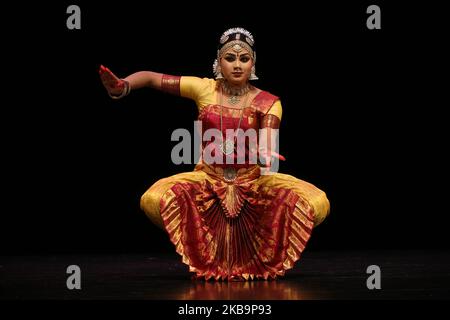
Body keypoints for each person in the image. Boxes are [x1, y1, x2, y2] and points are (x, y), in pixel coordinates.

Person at [99, 27, 330, 281]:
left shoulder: (268, 102)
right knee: (153, 199)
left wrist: (265, 153)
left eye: (244, 58)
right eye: (230, 58)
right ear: (219, 61)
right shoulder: (204, 89)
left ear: (253, 62)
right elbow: (153, 78)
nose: (237, 65)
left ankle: (254, 251)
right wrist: (123, 86)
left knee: (317, 203)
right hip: (208, 182)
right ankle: (205, 246)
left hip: (252, 184)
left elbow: (267, 141)